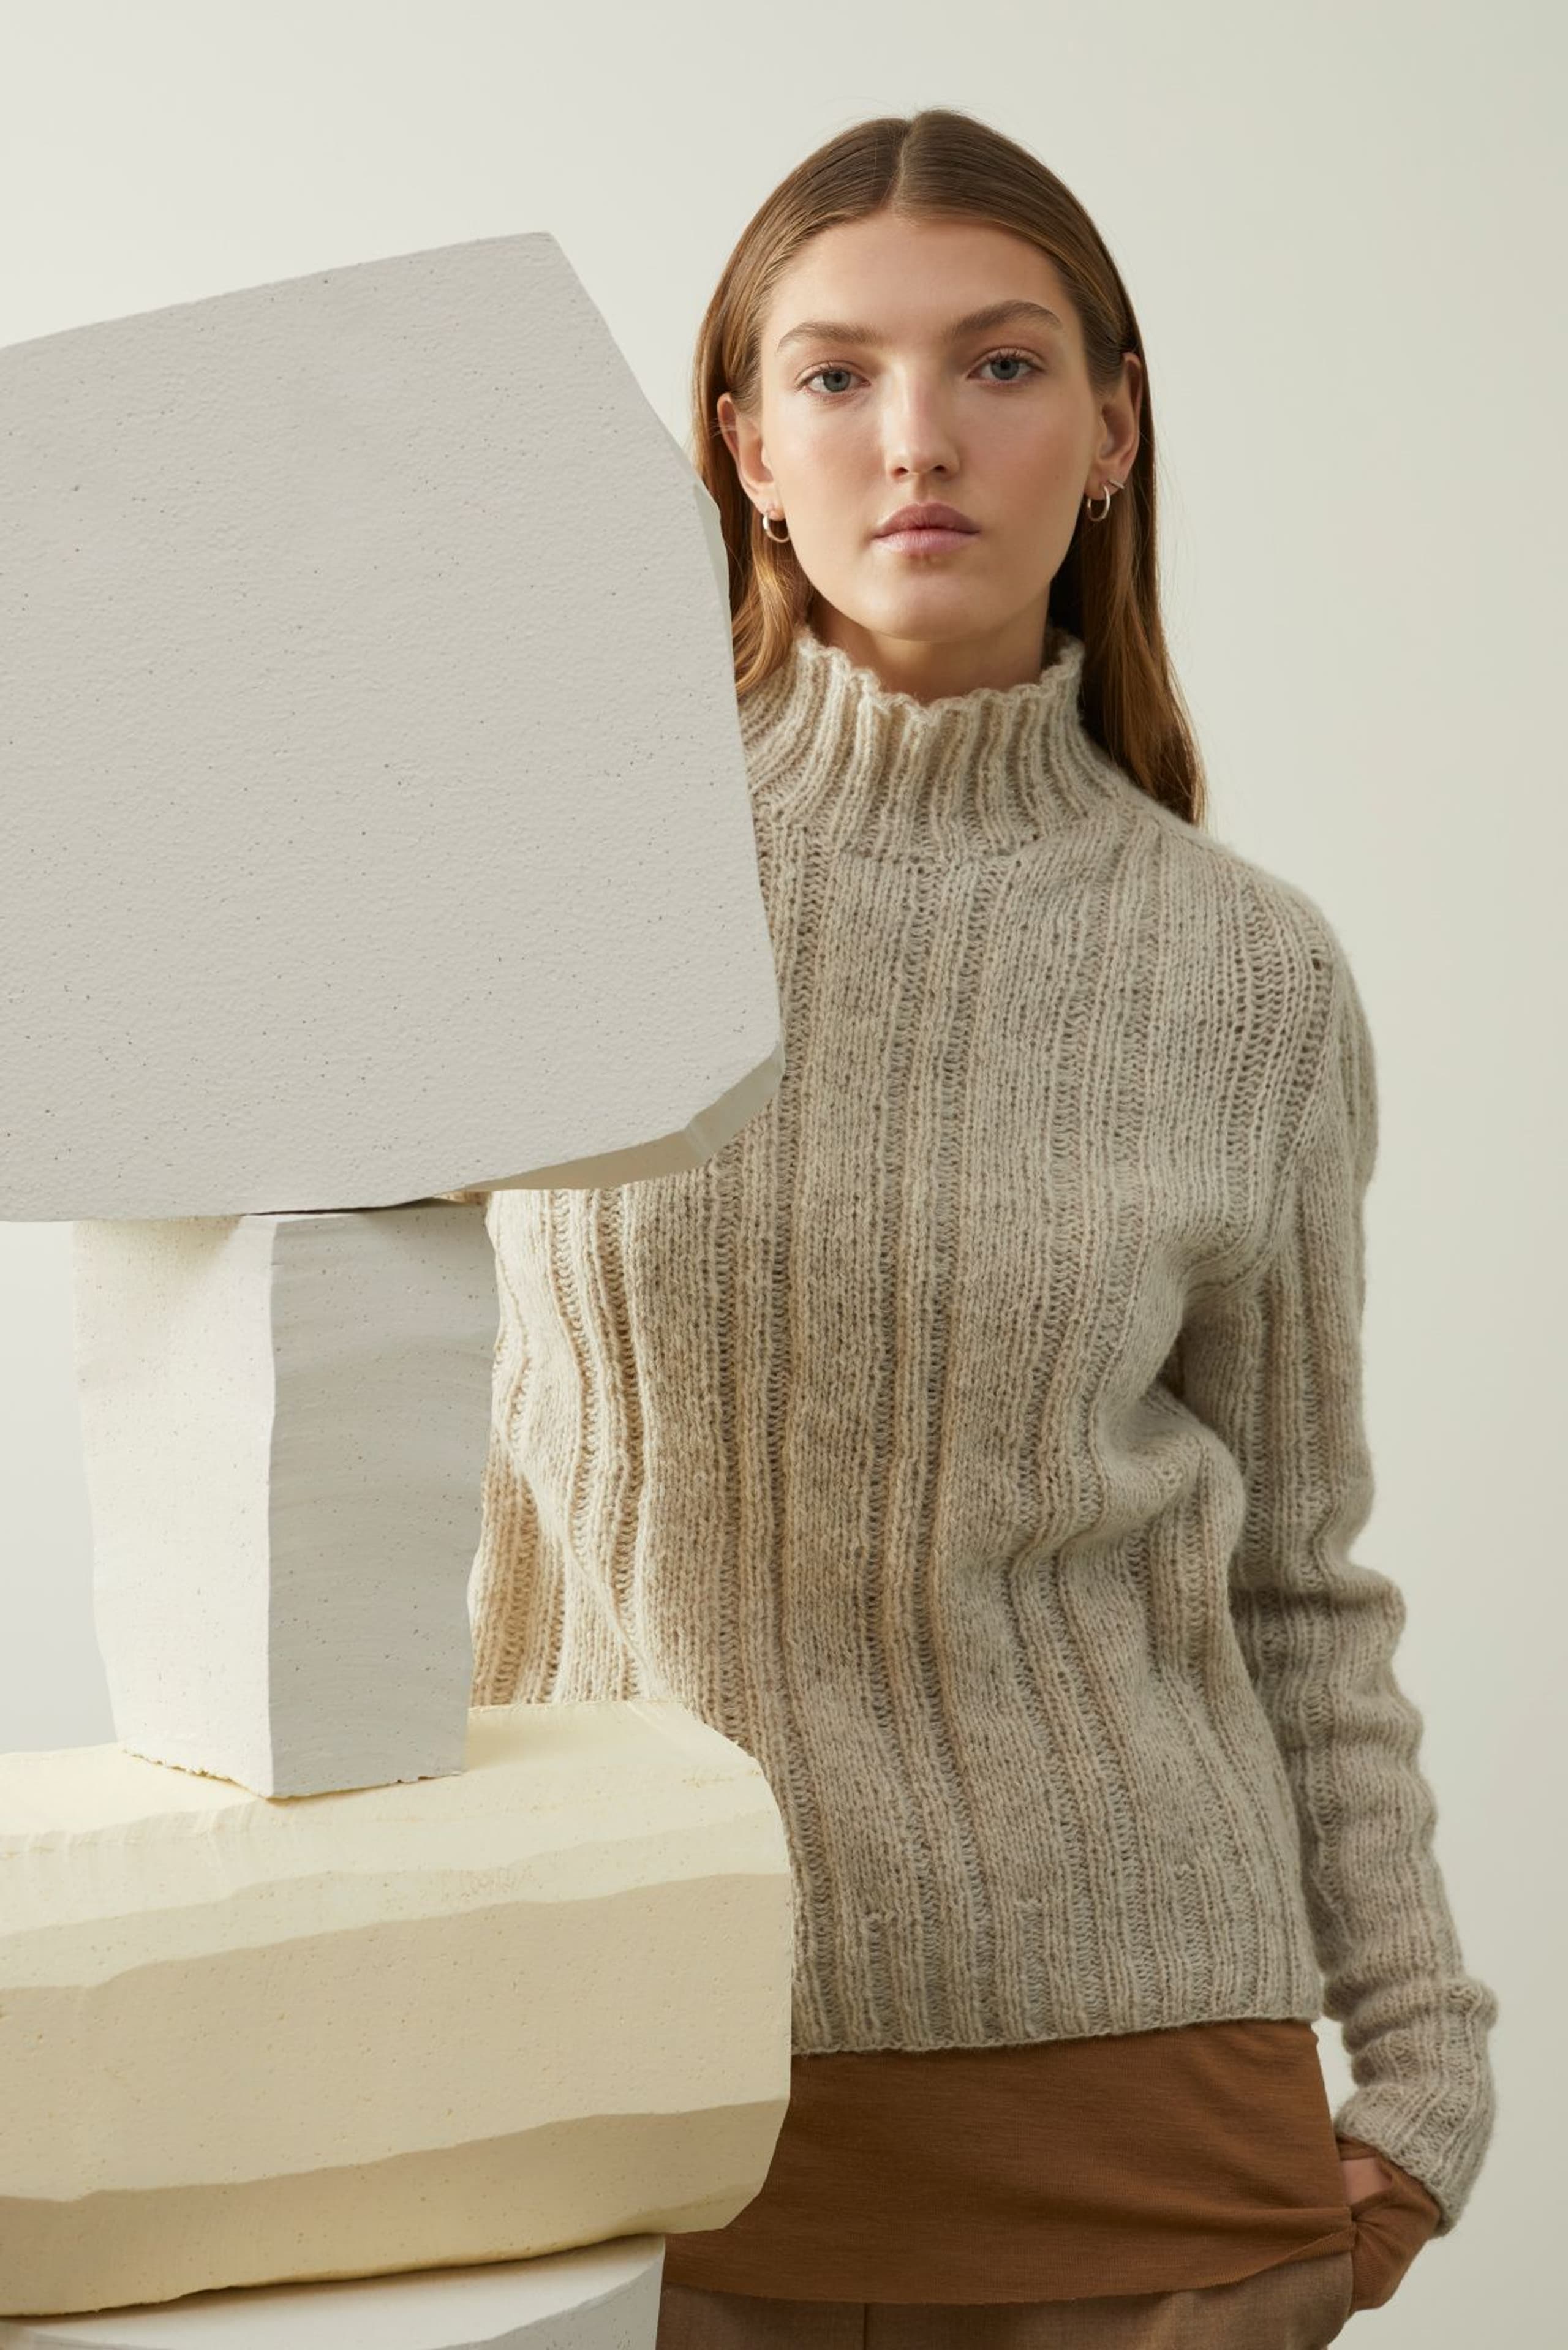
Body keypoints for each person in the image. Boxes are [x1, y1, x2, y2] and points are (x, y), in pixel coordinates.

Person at [458, 108, 1499, 2346]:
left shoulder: (1247, 974)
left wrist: (1421, 2075)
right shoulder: (553, 891)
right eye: (835, 375)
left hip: (1140, 2130)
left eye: (1002, 365)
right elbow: (348, 1442)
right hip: (613, 2083)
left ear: (1113, 433)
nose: (917, 437)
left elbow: (1294, 1578)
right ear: (745, 446)